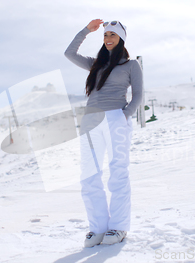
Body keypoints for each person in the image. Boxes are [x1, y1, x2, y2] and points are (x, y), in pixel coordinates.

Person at [64, 19, 143, 247]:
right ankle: (97, 228)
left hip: (115, 118)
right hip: (91, 120)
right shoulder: (95, 64)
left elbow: (138, 95)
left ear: (121, 39)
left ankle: (118, 227)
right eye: (106, 35)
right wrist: (86, 31)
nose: (108, 39)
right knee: (89, 175)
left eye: (112, 35)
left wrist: (123, 115)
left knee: (118, 173)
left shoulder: (131, 65)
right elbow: (69, 53)